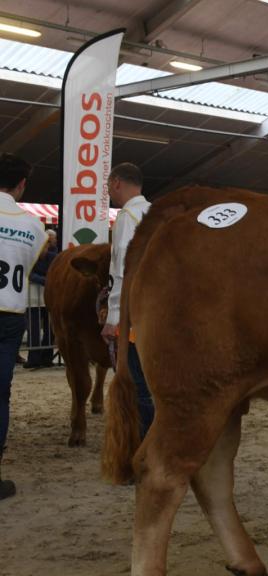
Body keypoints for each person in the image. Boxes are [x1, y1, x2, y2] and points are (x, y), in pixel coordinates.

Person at [0, 154, 49, 500]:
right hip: (10, 316)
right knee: (0, 394)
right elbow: (30, 268)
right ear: (21, 185)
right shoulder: (33, 226)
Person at [99, 163, 154, 439]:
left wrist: (112, 318)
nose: (108, 191)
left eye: (108, 185)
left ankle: (146, 449)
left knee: (138, 387)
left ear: (117, 182)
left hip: (135, 317)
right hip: (161, 312)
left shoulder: (127, 216)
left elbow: (122, 268)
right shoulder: (156, 213)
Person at [24, 228, 58, 369]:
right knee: (34, 329)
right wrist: (47, 280)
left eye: (47, 244)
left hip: (49, 297)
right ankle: (34, 358)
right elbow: (29, 274)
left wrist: (44, 280)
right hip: (33, 298)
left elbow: (54, 272)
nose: (45, 247)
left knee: (50, 330)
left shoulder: (53, 257)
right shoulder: (30, 256)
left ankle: (47, 358)